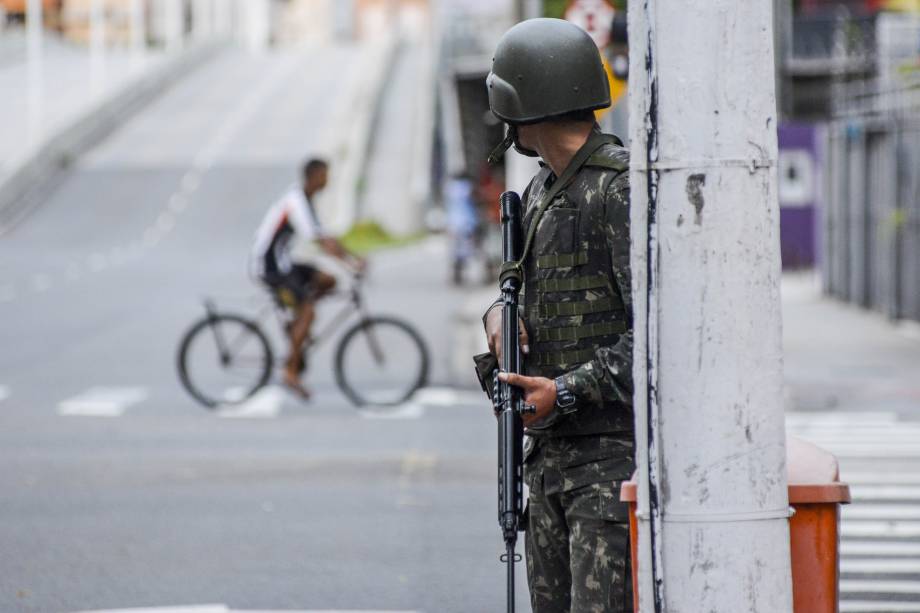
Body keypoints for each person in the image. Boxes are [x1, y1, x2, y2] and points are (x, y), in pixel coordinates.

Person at [481, 18, 635, 612]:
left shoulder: (615, 190)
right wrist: (498, 317)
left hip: (606, 468)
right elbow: (524, 289)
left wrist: (565, 391)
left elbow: (651, 337)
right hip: (549, 463)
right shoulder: (545, 188)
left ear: (530, 103)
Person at [252, 158, 365, 399]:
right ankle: (290, 370)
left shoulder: (306, 200)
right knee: (309, 312)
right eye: (325, 175)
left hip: (283, 262)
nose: (328, 180)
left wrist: (354, 257)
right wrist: (350, 263)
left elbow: (326, 235)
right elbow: (319, 241)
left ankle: (298, 326)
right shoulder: (296, 202)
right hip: (270, 266)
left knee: (327, 280)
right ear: (313, 176)